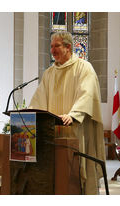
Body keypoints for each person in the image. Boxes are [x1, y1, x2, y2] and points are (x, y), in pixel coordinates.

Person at [29, 31, 106, 195]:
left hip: (74, 129)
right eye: (51, 46)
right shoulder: (49, 73)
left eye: (56, 46)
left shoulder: (84, 68)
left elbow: (87, 94)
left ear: (68, 47)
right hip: (51, 133)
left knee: (75, 174)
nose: (52, 50)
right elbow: (39, 98)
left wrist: (73, 115)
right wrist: (30, 114)